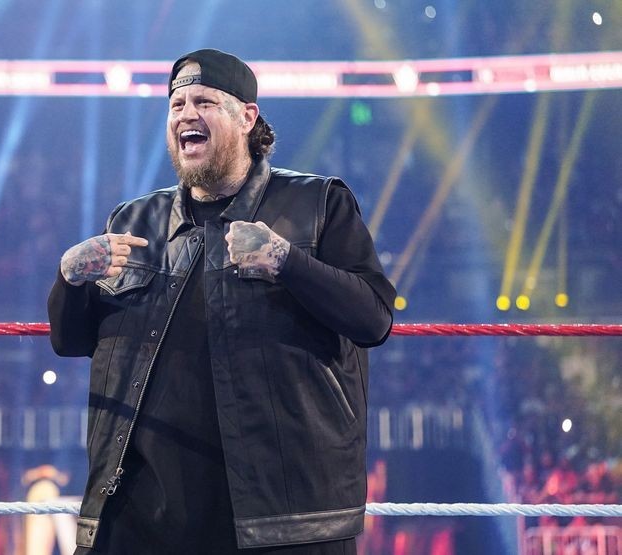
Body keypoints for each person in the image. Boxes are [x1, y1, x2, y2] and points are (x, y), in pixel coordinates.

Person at [48, 48, 395, 554]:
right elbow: (68, 340)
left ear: (247, 117)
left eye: (204, 101)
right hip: (139, 519)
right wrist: (69, 278)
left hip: (278, 518)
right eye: (176, 104)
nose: (186, 113)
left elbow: (374, 318)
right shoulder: (132, 221)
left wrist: (286, 261)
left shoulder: (317, 204)